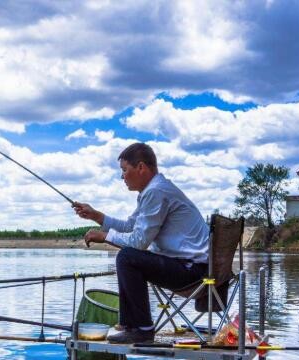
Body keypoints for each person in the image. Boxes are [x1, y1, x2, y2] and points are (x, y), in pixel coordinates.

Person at [73, 143, 208, 344]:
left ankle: (142, 328)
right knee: (128, 256)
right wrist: (97, 216)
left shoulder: (156, 191)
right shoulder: (153, 190)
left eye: (124, 170)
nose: (122, 177)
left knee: (128, 257)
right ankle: (129, 324)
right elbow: (130, 226)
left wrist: (104, 237)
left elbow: (138, 242)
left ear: (141, 168)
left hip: (193, 272)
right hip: (192, 267)